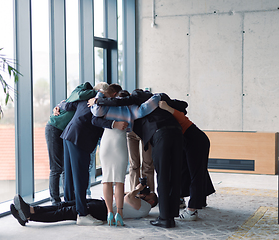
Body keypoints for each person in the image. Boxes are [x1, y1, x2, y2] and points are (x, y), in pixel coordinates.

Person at [91, 89, 188, 228]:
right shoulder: (132, 109)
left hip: (107, 143)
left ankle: (109, 212)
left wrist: (98, 95)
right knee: (119, 181)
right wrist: (156, 96)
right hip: (123, 144)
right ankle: (120, 213)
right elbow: (148, 106)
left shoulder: (107, 107)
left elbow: (95, 112)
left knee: (106, 179)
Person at [55, 83, 125, 226]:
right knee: (81, 176)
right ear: (111, 94)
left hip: (69, 134)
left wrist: (58, 105)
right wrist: (114, 124)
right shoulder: (101, 102)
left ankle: (70, 207)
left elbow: (67, 105)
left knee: (69, 175)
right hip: (80, 138)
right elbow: (95, 120)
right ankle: (82, 214)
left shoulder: (87, 98)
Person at [158, 100, 216, 221]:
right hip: (190, 143)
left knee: (196, 174)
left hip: (196, 142)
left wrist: (167, 107)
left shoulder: (175, 113)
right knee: (188, 172)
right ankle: (197, 200)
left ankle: (192, 210)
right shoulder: (168, 115)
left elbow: (181, 117)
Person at [45, 82, 100, 205]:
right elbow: (72, 99)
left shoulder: (89, 103)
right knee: (56, 168)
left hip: (67, 132)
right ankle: (54, 201)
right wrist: (98, 92)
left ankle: (68, 201)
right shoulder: (82, 93)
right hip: (54, 128)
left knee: (66, 168)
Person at [10, 184, 158, 226]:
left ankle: (29, 216)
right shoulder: (142, 203)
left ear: (152, 202)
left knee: (67, 212)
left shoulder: (145, 208)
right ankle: (30, 209)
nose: (146, 193)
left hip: (103, 211)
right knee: (66, 204)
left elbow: (129, 198)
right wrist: (135, 192)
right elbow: (120, 195)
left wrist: (137, 190)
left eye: (149, 194)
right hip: (102, 204)